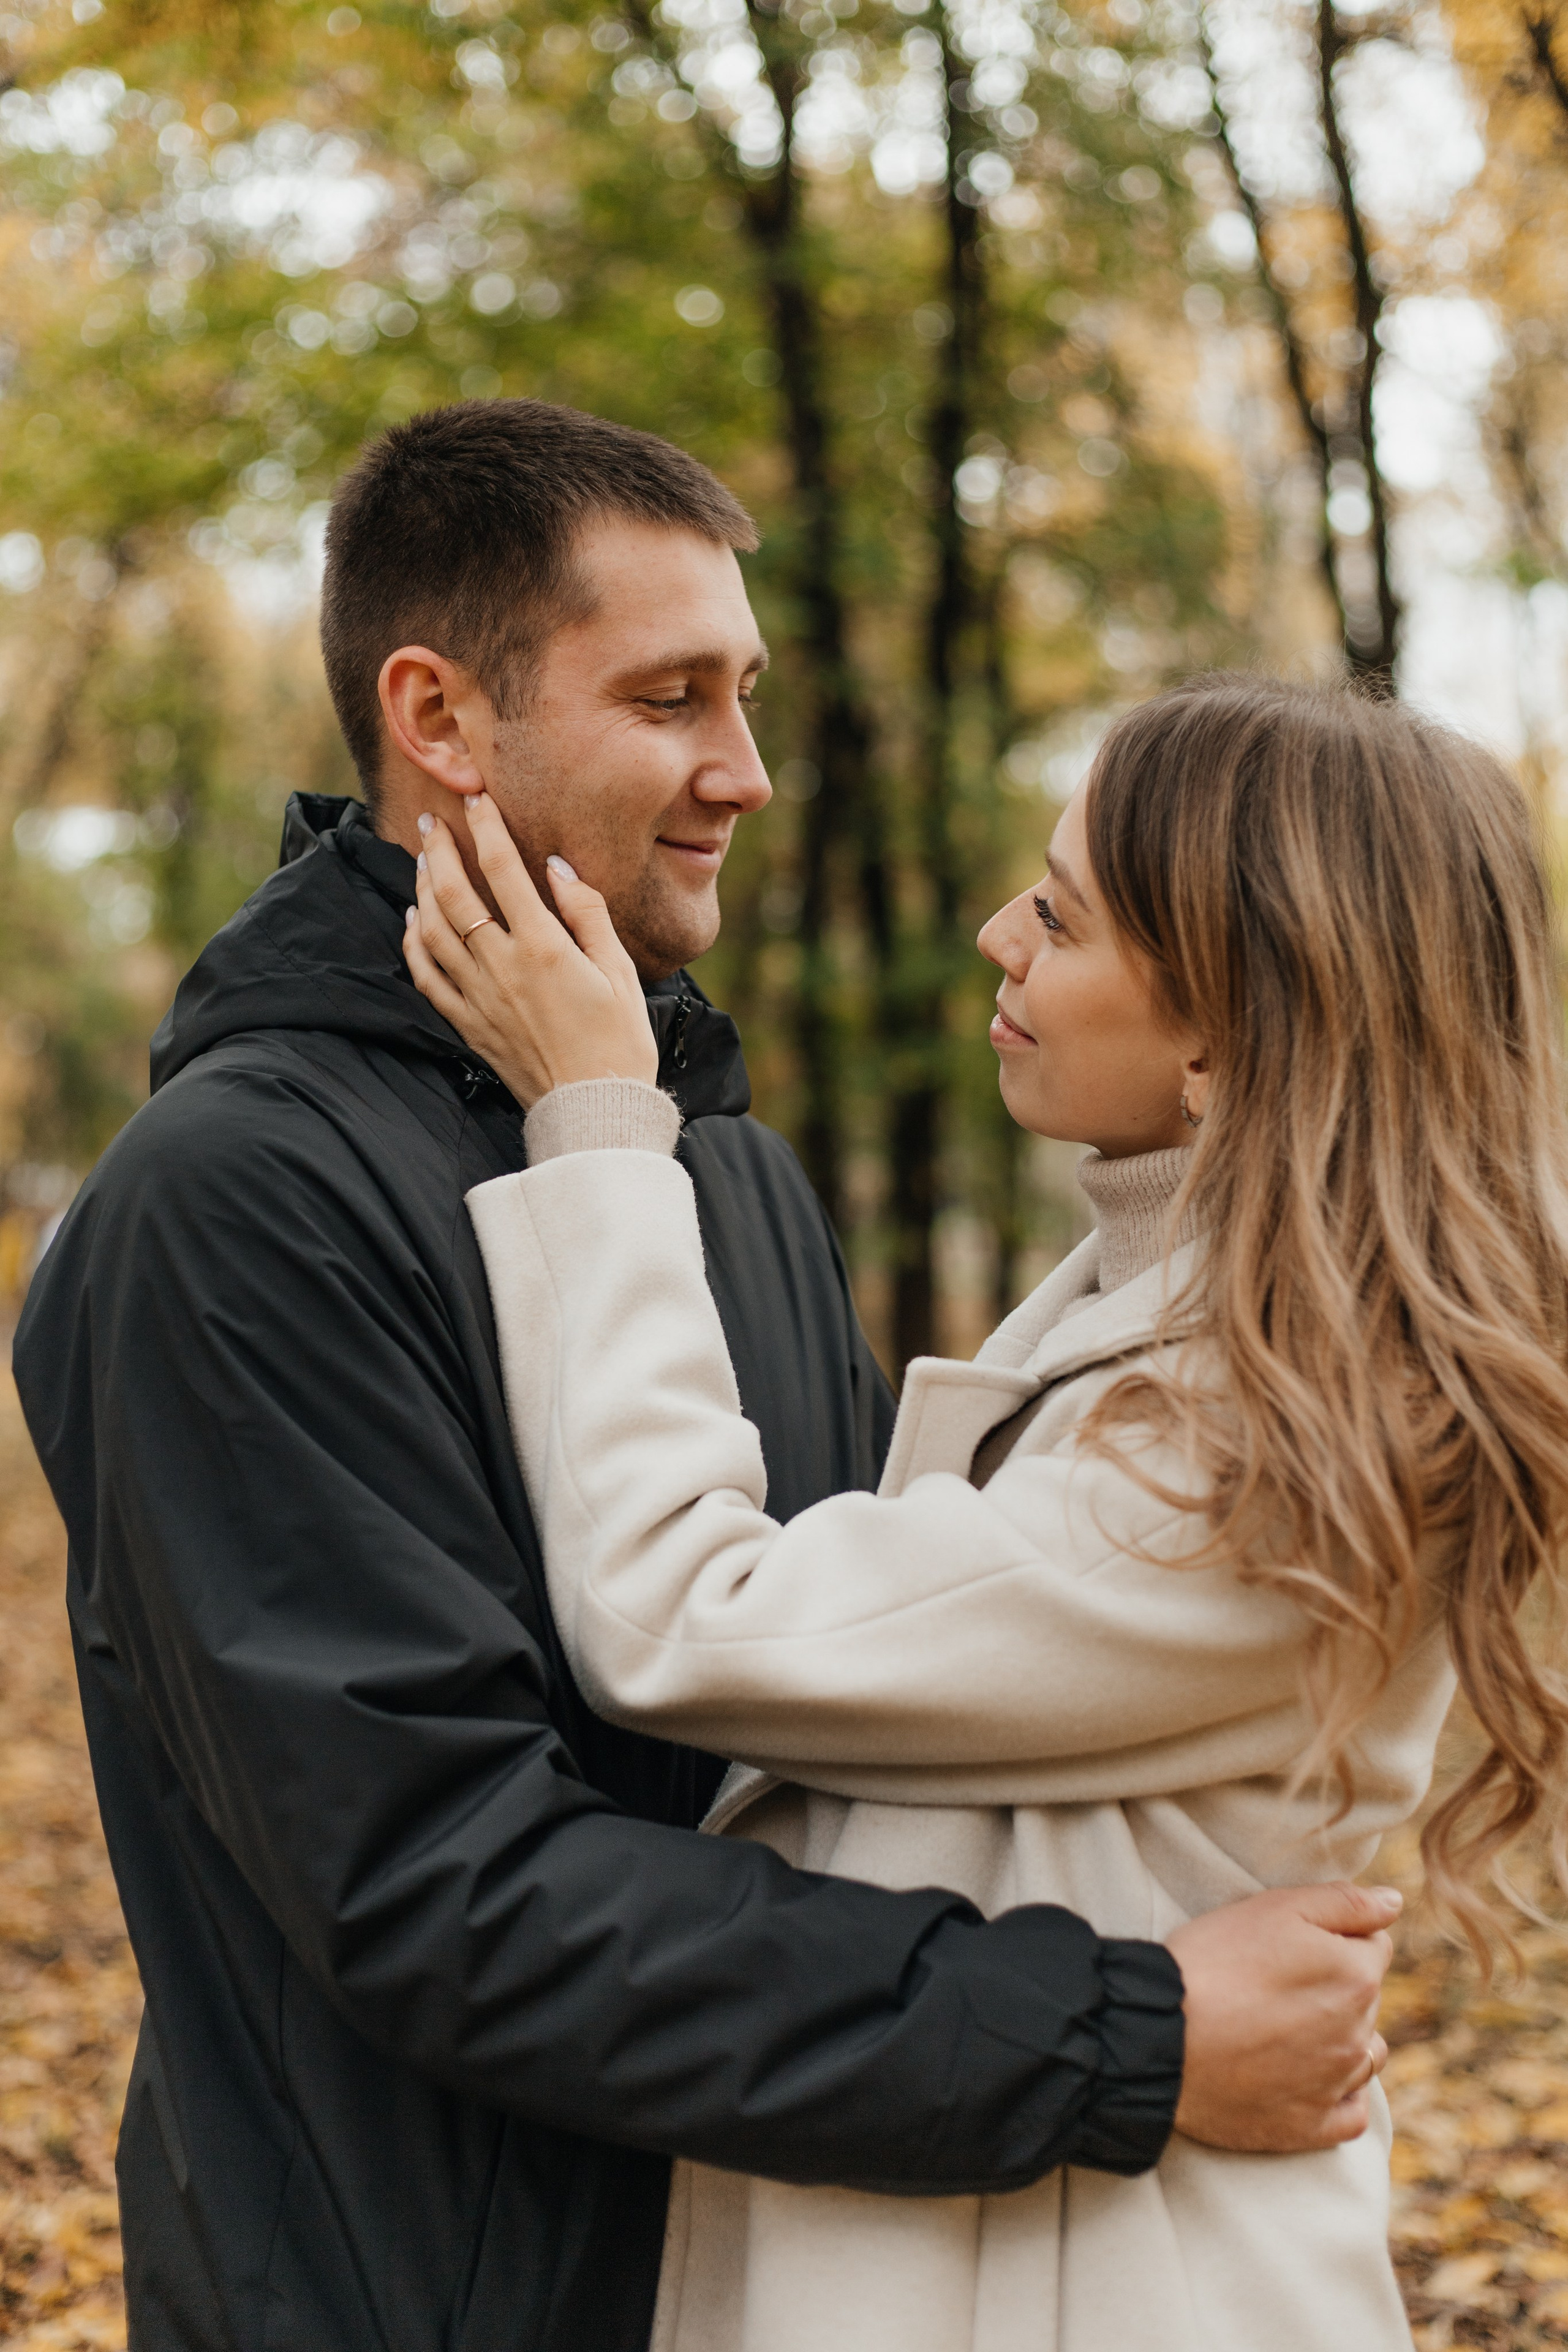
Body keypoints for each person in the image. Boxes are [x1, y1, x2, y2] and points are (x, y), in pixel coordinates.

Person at [15, 406, 1397, 2352]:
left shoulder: (709, 1167)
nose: (744, 774)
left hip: (772, 2267)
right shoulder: (237, 1199)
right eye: (672, 699)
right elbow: (439, 1889)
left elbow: (824, 1751)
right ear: (442, 720)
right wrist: (1120, 2035)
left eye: (746, 696)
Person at [405, 670, 1568, 2351]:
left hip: (1096, 2288)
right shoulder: (1185, 1313)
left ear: (1228, 1029)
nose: (993, 936)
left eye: (1064, 917)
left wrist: (595, 1124)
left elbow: (684, 1618)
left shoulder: (1263, 1451)